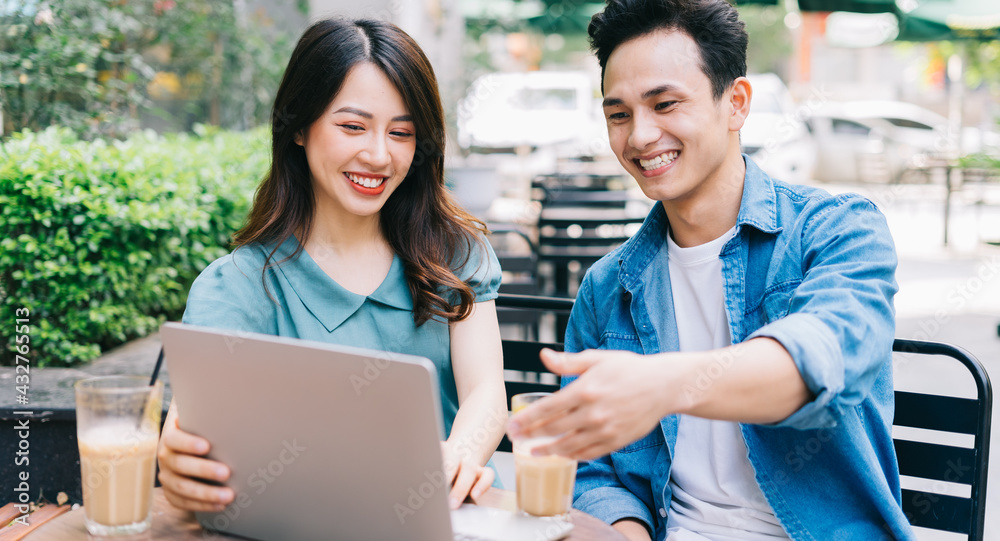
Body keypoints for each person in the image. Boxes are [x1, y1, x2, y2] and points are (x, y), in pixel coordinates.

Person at [507, 1, 914, 540]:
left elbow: (820, 363)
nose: (640, 137)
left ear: (736, 103)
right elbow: (593, 469)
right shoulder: (608, 287)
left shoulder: (838, 231)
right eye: (619, 115)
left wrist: (662, 385)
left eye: (665, 104)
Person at [157, 18, 507, 514]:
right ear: (299, 126)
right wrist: (180, 459)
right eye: (352, 126)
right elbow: (197, 426)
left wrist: (457, 460)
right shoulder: (237, 286)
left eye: (402, 133)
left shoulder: (454, 254)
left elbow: (486, 393)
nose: (379, 155)